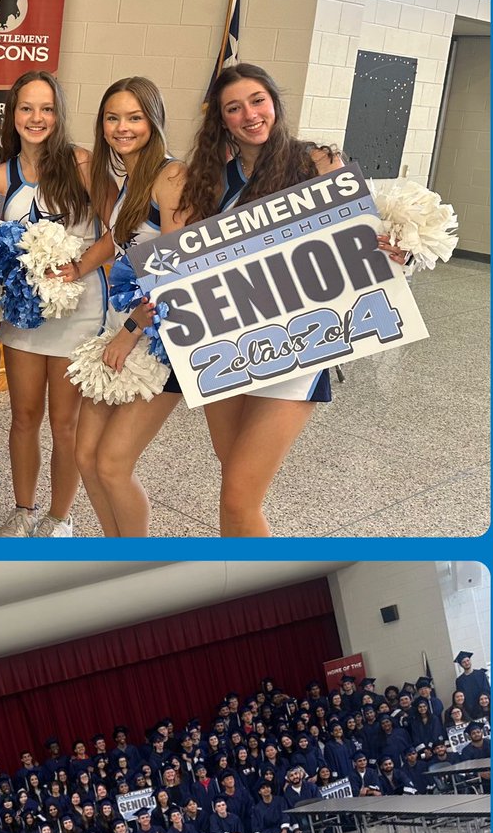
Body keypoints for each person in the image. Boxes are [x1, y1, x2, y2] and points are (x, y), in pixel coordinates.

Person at [176, 63, 404, 536]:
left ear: (274, 103)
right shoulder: (212, 178)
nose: (249, 115)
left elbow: (360, 237)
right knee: (233, 487)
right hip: (228, 347)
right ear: (222, 121)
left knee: (240, 494)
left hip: (298, 344)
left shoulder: (316, 162)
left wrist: (393, 247)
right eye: (233, 108)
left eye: (257, 100)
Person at [64, 77, 188, 536]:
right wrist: (75, 268)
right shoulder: (131, 176)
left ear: (153, 121)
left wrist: (133, 327)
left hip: (156, 337)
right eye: (112, 118)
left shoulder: (172, 176)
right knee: (86, 457)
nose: (122, 127)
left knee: (113, 464)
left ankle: (133, 557)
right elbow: (118, 240)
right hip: (120, 327)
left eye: (134, 117)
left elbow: (180, 265)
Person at [0, 72, 98, 538]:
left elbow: (114, 232)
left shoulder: (84, 164)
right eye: (27, 108)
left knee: (65, 422)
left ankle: (60, 516)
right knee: (24, 417)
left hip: (78, 311)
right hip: (24, 317)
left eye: (47, 108)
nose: (37, 118)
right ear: (13, 114)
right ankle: (23, 509)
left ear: (60, 114)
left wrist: (75, 267)